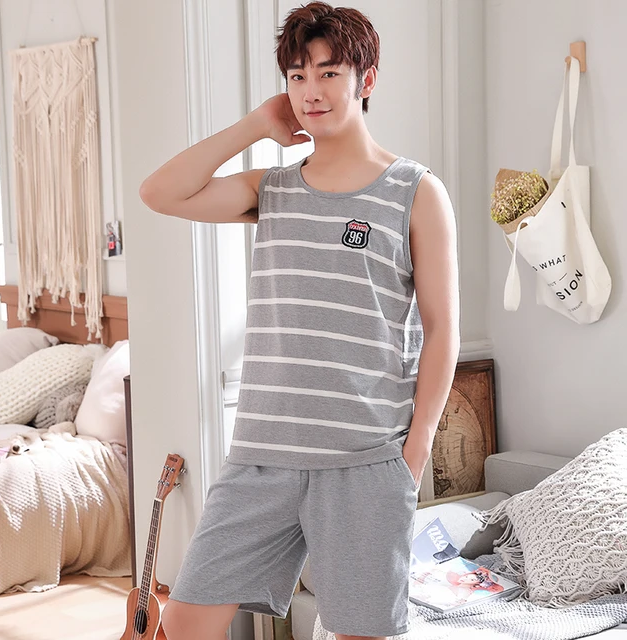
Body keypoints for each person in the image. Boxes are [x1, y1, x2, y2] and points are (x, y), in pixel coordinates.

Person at [139, 3, 460, 640]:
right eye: (297, 75)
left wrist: (415, 451)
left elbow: (442, 330)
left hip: (365, 461)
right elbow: (160, 193)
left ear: (366, 80)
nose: (311, 91)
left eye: (329, 73)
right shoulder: (273, 189)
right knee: (184, 624)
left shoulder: (415, 192)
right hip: (261, 458)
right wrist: (256, 125)